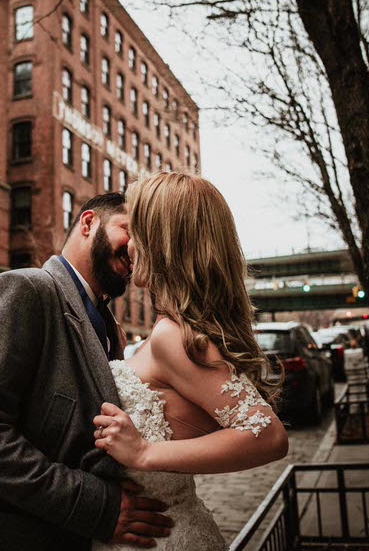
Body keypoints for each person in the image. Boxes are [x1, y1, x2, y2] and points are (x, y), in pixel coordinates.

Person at [0, 192, 173, 551]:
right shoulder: (24, 289)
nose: (137, 250)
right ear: (89, 222)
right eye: (130, 231)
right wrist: (94, 506)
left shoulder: (108, 326)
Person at [91, 173, 289, 551]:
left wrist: (144, 453)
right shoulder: (174, 332)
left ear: (161, 241)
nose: (129, 245)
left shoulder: (173, 336)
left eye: (137, 230)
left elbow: (268, 435)